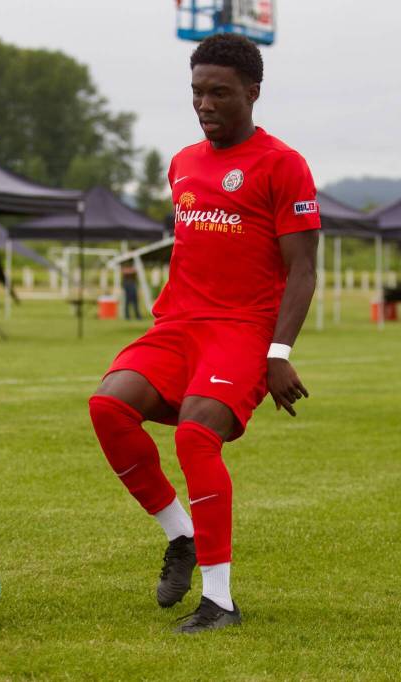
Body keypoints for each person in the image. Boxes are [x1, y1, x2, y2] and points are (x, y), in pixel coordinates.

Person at [87, 33, 320, 634]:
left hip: (241, 332)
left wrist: (278, 353)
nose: (205, 103)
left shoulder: (283, 165)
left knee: (195, 436)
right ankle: (181, 536)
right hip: (178, 324)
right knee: (108, 407)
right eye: (197, 92)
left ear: (252, 92)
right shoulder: (183, 163)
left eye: (219, 92)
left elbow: (303, 270)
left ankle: (220, 600)